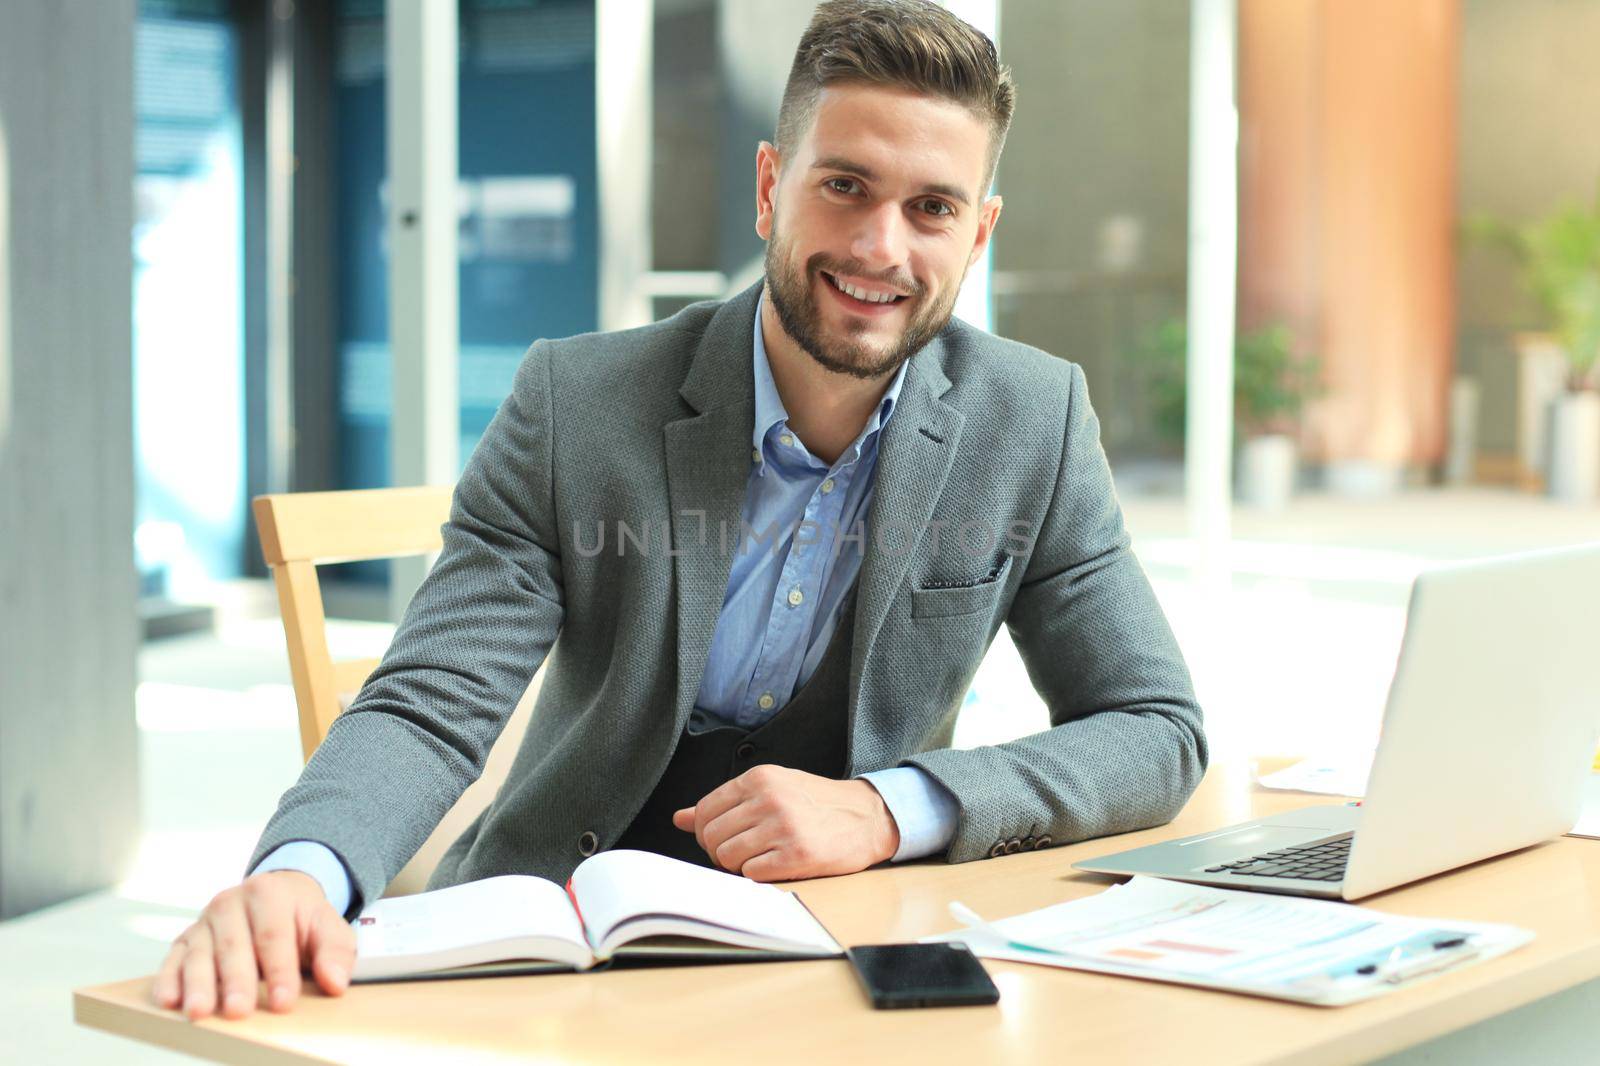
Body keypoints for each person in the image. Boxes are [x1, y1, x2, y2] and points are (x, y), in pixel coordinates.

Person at [156, 0, 1206, 1021]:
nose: (882, 248)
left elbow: (1155, 730)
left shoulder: (1032, 419)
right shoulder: (577, 404)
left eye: (931, 207)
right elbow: (433, 698)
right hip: (559, 947)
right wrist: (302, 873)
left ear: (977, 233)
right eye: (844, 185)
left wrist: (891, 807)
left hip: (841, 946)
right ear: (768, 186)